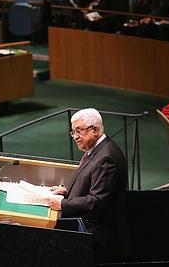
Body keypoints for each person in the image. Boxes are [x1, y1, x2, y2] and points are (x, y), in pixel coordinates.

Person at [48, 108, 128, 263]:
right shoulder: (97, 150)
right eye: (73, 132)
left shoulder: (107, 157)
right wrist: (67, 192)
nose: (76, 137)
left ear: (95, 130)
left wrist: (63, 203)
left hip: (96, 237)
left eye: (79, 131)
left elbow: (98, 200)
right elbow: (93, 185)